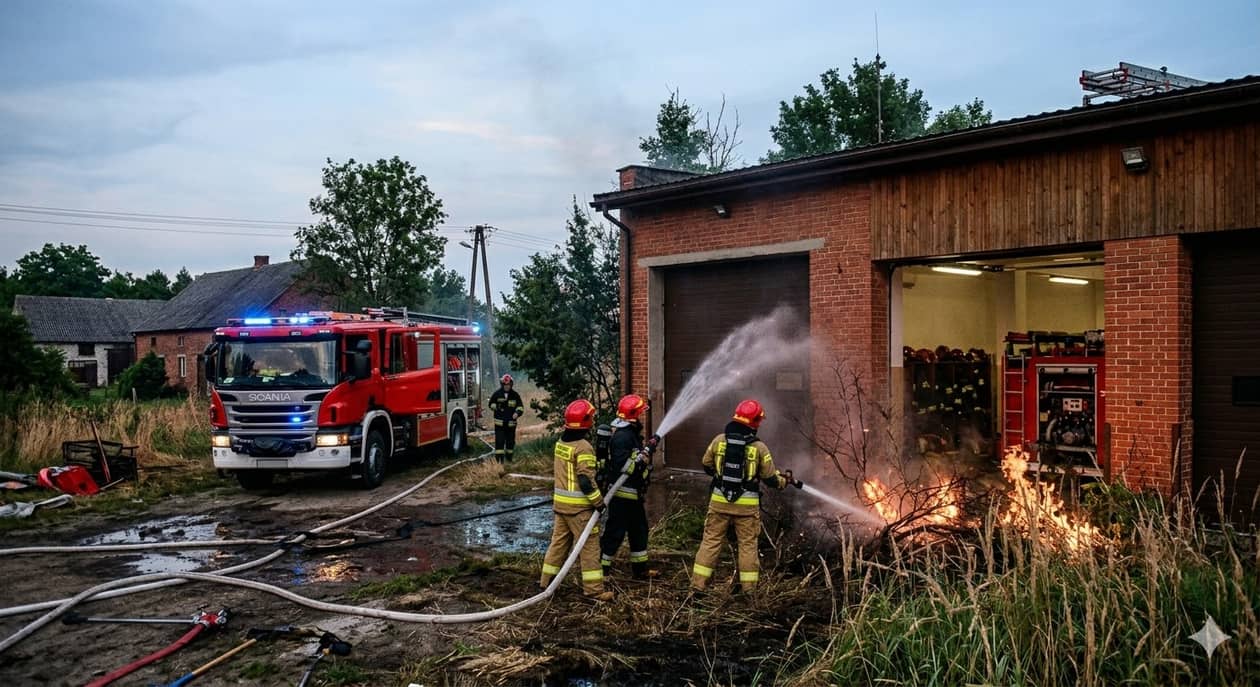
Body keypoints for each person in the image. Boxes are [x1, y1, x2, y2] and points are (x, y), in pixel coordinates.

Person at [691, 399, 793, 592]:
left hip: (719, 502)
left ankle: (697, 586)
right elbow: (770, 479)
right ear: (754, 422)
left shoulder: (719, 440)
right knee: (747, 546)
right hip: (747, 507)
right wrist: (784, 481)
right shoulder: (759, 448)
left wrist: (721, 478)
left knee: (711, 541)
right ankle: (749, 591)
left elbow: (706, 465)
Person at [540, 399, 614, 601]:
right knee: (590, 548)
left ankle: (546, 582)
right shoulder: (583, 448)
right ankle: (595, 591)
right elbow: (585, 480)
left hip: (561, 506)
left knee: (558, 544)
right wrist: (599, 502)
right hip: (580, 510)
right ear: (587, 421)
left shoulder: (561, 443)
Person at [599, 394, 659, 580]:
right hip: (621, 496)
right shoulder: (623, 437)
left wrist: (645, 452)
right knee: (614, 534)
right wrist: (643, 457)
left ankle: (640, 570)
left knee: (639, 530)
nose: (641, 417)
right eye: (640, 413)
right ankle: (601, 571)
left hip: (633, 496)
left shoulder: (630, 435)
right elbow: (624, 467)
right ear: (633, 416)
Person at [487, 374, 524, 463]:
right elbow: (490, 404)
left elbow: (520, 407)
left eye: (508, 385)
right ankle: (499, 462)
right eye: (505, 385)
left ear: (511, 385)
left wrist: (517, 413)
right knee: (499, 442)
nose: (507, 387)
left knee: (510, 443)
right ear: (502, 385)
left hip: (511, 425)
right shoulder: (497, 394)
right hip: (500, 425)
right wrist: (495, 406)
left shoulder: (515, 395)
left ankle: (509, 460)